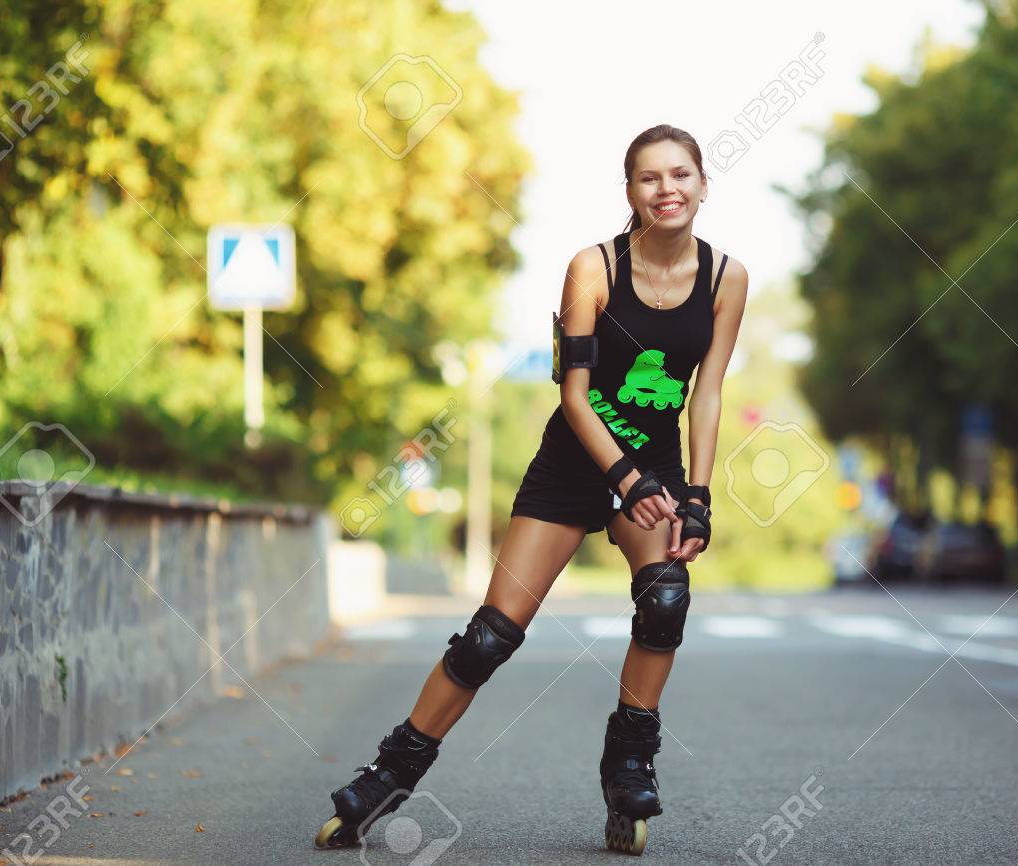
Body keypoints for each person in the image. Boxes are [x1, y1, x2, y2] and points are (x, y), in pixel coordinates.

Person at [315, 124, 748, 856]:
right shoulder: (594, 268)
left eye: (681, 175)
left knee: (666, 598)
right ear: (631, 194)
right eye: (649, 178)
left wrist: (697, 495)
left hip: (656, 469)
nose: (667, 189)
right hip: (576, 464)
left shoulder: (726, 278)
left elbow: (706, 395)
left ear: (705, 185)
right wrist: (624, 477)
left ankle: (628, 762)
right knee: (491, 636)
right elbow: (574, 395)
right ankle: (390, 773)